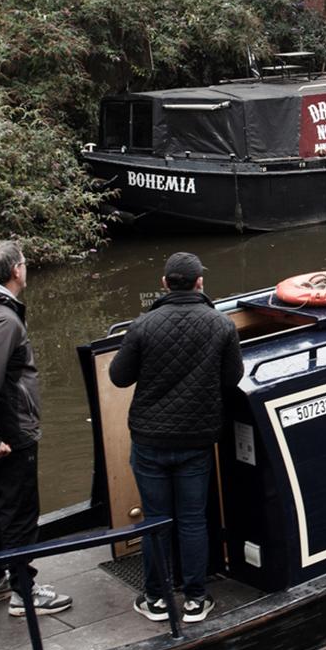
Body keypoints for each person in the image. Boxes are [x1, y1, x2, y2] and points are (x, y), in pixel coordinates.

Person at [109, 251, 243, 624]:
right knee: (192, 520)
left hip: (150, 440)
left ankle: (156, 598)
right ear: (200, 282)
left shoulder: (142, 325)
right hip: (195, 439)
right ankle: (196, 600)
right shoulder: (221, 326)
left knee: (156, 519)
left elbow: (119, 377)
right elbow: (232, 378)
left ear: (164, 284)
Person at [0, 240, 70, 619]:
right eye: (24, 263)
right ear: (15, 271)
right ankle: (25, 591)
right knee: (18, 510)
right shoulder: (2, 319)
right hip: (9, 434)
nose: (26, 268)